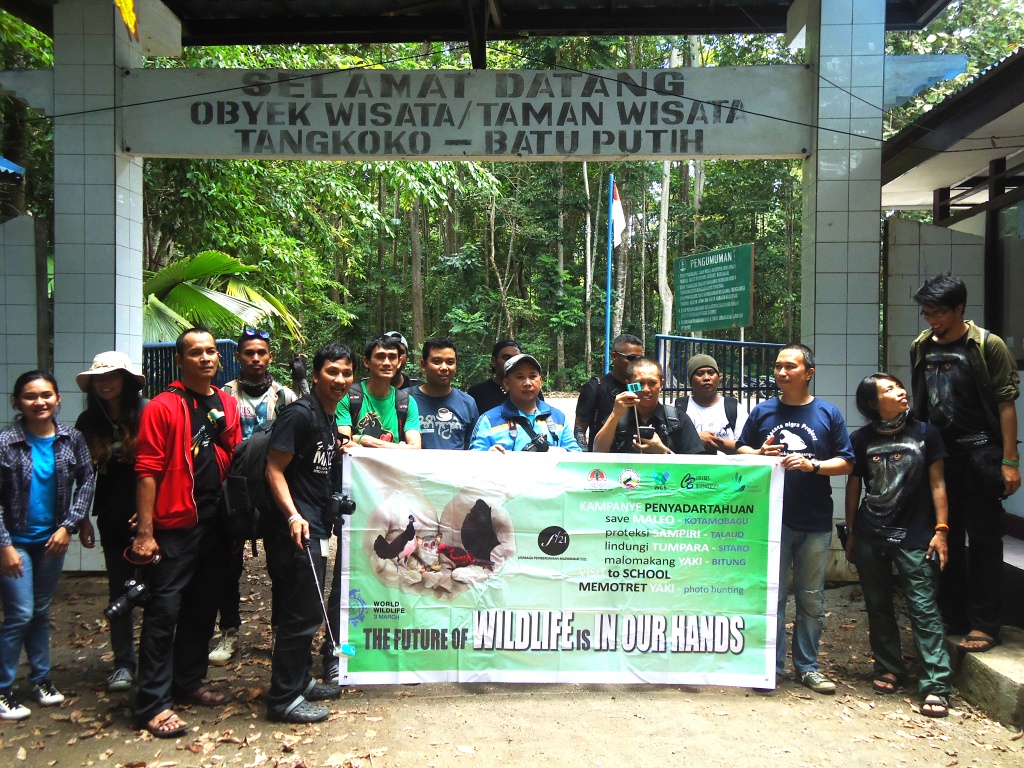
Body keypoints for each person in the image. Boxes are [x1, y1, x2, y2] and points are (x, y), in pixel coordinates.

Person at [131, 328, 242, 738]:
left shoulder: (227, 404)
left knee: (203, 605)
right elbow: (146, 470)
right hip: (175, 525)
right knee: (164, 611)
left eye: (211, 351)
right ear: (180, 360)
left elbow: (234, 456)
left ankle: (188, 681)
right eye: (195, 352)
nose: (205, 358)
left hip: (217, 521)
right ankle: (152, 702)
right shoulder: (162, 406)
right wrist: (145, 531)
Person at [909, 272, 1020, 652]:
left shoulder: (988, 345)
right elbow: (922, 403)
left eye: (938, 313)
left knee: (985, 538)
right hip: (940, 457)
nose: (932, 320)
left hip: (981, 454)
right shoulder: (921, 346)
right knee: (945, 536)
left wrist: (1010, 460)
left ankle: (985, 623)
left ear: (959, 308)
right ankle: (952, 616)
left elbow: (1006, 403)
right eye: (927, 313)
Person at [737, 344, 854, 694]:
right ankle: (769, 667)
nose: (781, 372)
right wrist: (759, 453)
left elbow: (846, 462)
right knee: (772, 596)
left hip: (815, 520)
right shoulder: (763, 411)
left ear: (809, 373)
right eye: (778, 366)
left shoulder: (827, 413)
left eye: (790, 366)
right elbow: (741, 449)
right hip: (771, 520)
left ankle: (807, 667)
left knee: (811, 598)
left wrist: (812, 465)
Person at [844, 373, 953, 718]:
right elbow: (854, 486)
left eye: (899, 386)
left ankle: (935, 683)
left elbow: (938, 484)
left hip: (917, 534)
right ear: (873, 403)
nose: (901, 391)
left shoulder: (925, 433)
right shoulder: (861, 439)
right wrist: (852, 532)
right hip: (871, 532)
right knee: (878, 605)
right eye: (889, 389)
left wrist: (942, 529)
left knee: (923, 607)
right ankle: (889, 667)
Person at [264, 343, 353, 723]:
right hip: (296, 529)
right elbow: (273, 468)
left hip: (315, 524)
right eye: (332, 371)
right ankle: (283, 697)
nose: (340, 379)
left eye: (346, 373)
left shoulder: (327, 418)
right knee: (300, 614)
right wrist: (292, 516)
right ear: (315, 375)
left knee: (307, 609)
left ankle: (300, 681)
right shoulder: (299, 415)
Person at [0, 371, 95, 721]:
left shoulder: (72, 438)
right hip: (14, 542)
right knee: (20, 614)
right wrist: (4, 546)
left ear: (57, 399)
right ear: (17, 402)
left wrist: (70, 525)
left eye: (45, 395)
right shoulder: (6, 441)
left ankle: (41, 678)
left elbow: (87, 480)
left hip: (52, 540)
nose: (39, 402)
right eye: (30, 396)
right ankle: (3, 688)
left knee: (40, 611)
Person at [212, 328, 298, 665]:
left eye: (262, 352)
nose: (256, 359)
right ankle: (229, 632)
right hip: (234, 488)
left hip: (273, 487)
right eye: (249, 353)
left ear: (270, 356)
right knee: (227, 565)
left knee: (281, 564)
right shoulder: (223, 395)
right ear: (238, 357)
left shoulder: (285, 396)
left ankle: (279, 632)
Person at [74, 352, 147, 693]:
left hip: (150, 516)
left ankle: (156, 660)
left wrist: (149, 512)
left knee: (155, 590)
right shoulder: (88, 421)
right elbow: (82, 474)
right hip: (112, 516)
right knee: (119, 590)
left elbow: (163, 466)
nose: (105, 382)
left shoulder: (147, 412)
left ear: (126, 381)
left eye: (112, 376)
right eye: (99, 378)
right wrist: (83, 519)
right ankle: (123, 663)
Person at [469, 354, 580, 452]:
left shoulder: (558, 418)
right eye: (520, 377)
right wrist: (488, 456)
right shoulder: (488, 421)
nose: (527, 383)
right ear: (506, 384)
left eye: (532, 376)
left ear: (540, 381)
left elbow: (577, 458)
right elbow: (473, 461)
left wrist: (561, 453)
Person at [593, 357, 704, 455]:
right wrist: (615, 415)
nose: (646, 389)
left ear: (661, 384)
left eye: (652, 383)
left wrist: (663, 451)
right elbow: (598, 453)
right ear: (629, 385)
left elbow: (695, 466)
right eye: (639, 383)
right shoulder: (618, 417)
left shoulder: (677, 419)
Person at [338, 335, 422, 449]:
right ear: (366, 361)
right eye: (380, 356)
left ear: (398, 363)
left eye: (392, 357)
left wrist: (364, 440)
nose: (387, 363)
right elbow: (344, 443)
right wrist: (398, 448)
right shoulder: (348, 395)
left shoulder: (407, 402)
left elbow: (415, 448)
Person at [575, 334, 644, 450]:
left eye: (640, 359)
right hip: (603, 456)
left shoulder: (642, 387)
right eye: (631, 358)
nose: (636, 363)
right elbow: (580, 429)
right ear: (614, 356)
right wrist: (584, 455)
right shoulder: (596, 386)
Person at [410, 338, 479, 450]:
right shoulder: (405, 399)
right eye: (437, 361)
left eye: (450, 362)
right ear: (423, 365)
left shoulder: (467, 403)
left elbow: (474, 446)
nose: (444, 368)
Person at [675, 354, 747, 455]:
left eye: (711, 373)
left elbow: (745, 446)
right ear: (691, 380)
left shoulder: (735, 408)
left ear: (718, 378)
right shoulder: (677, 408)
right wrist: (697, 438)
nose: (706, 378)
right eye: (699, 374)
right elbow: (669, 445)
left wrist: (709, 441)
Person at [468, 339, 530, 414]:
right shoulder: (477, 392)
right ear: (494, 361)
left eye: (516, 359)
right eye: (506, 358)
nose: (512, 362)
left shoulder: (529, 389)